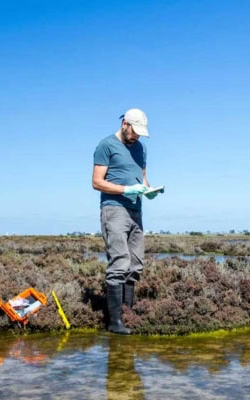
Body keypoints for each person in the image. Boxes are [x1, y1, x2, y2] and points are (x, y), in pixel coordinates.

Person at [92, 108, 161, 335]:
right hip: (114, 209)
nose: (137, 136)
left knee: (136, 263)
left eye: (141, 133)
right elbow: (97, 182)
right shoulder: (106, 145)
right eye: (135, 131)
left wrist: (148, 190)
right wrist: (126, 189)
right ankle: (115, 322)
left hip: (136, 210)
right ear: (125, 124)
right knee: (120, 261)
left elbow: (141, 178)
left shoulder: (141, 148)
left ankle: (127, 314)